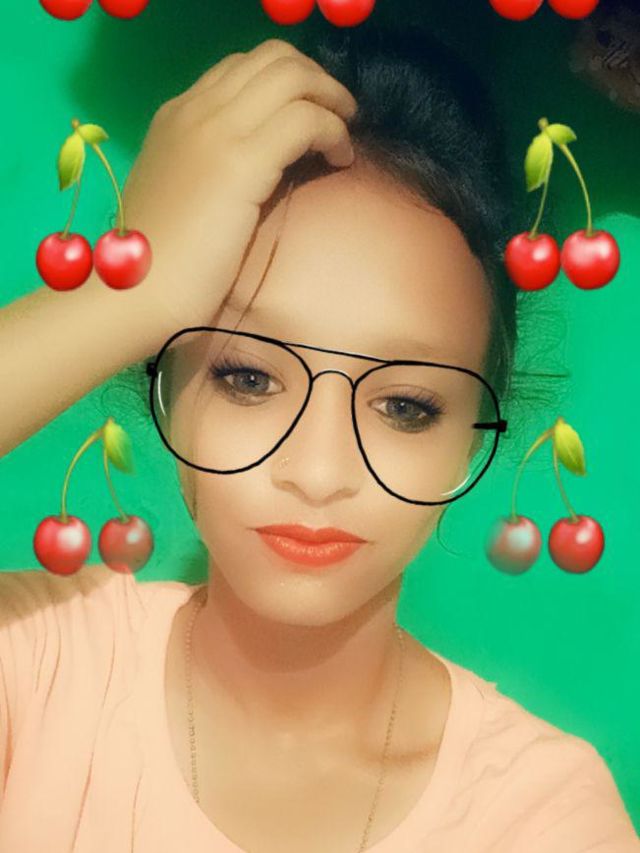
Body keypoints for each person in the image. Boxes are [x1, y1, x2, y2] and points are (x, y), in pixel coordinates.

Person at [0, 20, 638, 853]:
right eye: (248, 377)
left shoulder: (541, 814)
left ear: (471, 431)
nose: (319, 469)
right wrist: (127, 297)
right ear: (164, 377)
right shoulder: (38, 668)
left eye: (405, 405)